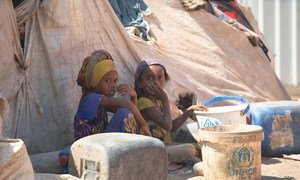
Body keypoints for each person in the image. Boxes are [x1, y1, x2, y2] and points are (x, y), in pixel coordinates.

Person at [59, 50, 151, 174]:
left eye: (115, 81)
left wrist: (134, 97)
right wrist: (144, 124)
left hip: (100, 144)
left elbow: (130, 111)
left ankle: (70, 154)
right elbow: (127, 106)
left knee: (125, 113)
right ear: (95, 82)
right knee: (124, 113)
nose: (113, 85)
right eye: (107, 81)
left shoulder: (101, 100)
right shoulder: (91, 98)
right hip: (91, 145)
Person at [134, 59, 208, 167]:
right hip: (155, 150)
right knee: (190, 149)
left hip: (167, 146)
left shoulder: (157, 101)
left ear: (165, 80)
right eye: (150, 78)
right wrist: (164, 99)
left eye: (160, 78)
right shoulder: (144, 102)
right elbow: (167, 126)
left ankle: (189, 161)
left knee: (199, 146)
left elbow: (171, 127)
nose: (156, 82)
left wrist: (187, 112)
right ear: (139, 83)